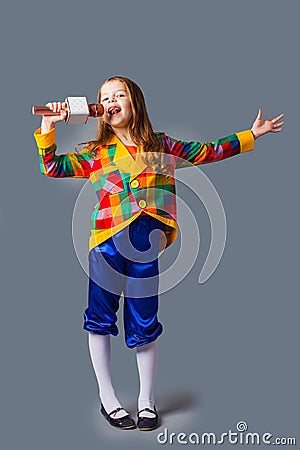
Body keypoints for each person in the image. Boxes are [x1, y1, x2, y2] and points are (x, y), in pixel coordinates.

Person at [34, 76, 284, 431]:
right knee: (100, 318)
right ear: (99, 110)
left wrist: (251, 135)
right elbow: (52, 167)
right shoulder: (95, 153)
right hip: (105, 243)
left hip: (146, 244)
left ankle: (146, 400)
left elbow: (207, 150)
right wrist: (49, 127)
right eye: (104, 97)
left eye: (118, 94)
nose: (110, 100)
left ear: (134, 101)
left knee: (145, 320)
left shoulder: (163, 145)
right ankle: (108, 398)